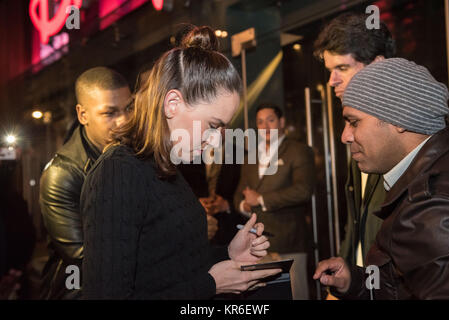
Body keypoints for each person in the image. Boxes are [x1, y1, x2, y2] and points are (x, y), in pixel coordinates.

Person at [80, 26, 281, 299]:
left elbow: (168, 264)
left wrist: (227, 253)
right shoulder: (118, 172)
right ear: (172, 104)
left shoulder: (168, 166)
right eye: (212, 125)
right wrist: (210, 285)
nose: (215, 141)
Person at [314, 58, 449, 299]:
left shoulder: (432, 207)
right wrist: (356, 282)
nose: (345, 136)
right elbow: (404, 285)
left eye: (354, 122)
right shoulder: (422, 180)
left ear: (399, 118)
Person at [39, 67, 133, 299]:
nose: (124, 121)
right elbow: (85, 257)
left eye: (129, 108)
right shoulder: (62, 174)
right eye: (109, 113)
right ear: (83, 115)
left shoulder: (135, 151)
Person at [314, 12, 395, 268]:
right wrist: (349, 273)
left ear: (377, 65)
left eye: (342, 68)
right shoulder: (353, 132)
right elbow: (358, 219)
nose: (331, 81)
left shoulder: (407, 133)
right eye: (329, 70)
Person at [234, 103, 316, 300]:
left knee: (296, 295)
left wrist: (261, 199)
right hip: (256, 246)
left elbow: (303, 190)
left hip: (289, 243)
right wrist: (244, 205)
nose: (266, 127)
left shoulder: (298, 150)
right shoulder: (250, 156)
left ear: (281, 122)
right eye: (260, 122)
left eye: (270, 120)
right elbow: (239, 195)